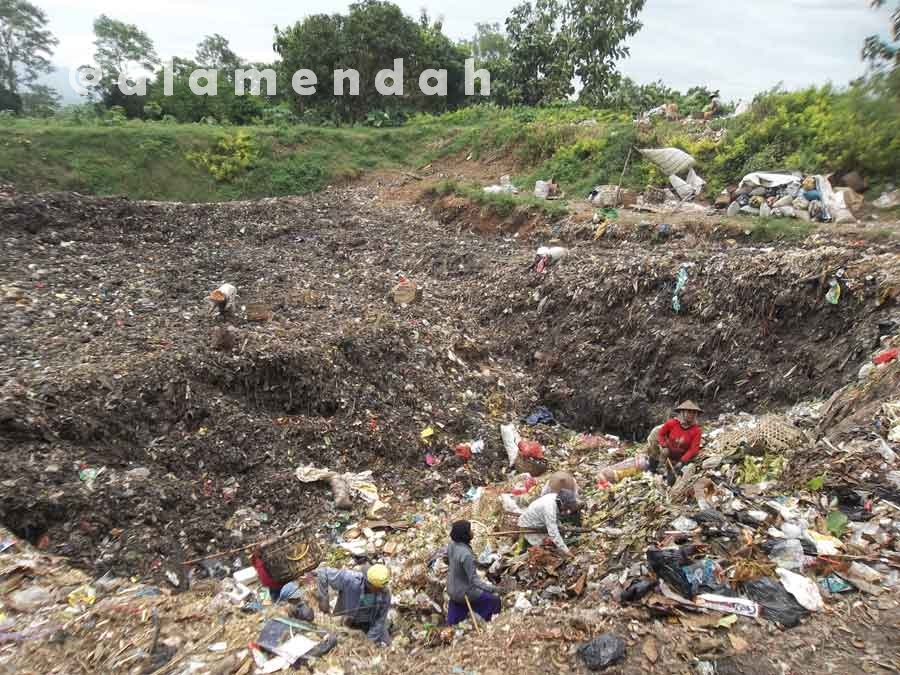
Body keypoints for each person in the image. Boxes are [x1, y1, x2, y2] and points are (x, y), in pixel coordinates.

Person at [316, 564, 392, 645]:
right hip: (347, 620)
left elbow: (379, 621)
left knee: (386, 645)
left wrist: (369, 641)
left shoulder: (385, 594)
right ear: (368, 582)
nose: (380, 591)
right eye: (377, 588)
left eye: (381, 588)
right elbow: (322, 572)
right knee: (332, 639)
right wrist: (323, 599)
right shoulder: (350, 580)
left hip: (369, 624)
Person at [446, 520, 502, 625]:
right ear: (464, 535)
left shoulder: (451, 545)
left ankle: (452, 623)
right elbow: (474, 580)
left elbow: (448, 560)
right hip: (464, 592)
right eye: (469, 530)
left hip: (451, 588)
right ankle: (484, 622)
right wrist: (493, 589)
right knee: (494, 600)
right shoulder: (466, 555)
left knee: (457, 606)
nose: (472, 532)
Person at [647, 400, 703, 475]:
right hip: (667, 452)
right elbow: (661, 434)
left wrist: (682, 461)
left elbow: (693, 449)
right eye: (689, 412)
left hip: (682, 456)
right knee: (661, 451)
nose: (691, 415)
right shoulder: (672, 423)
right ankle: (655, 468)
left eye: (694, 413)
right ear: (682, 413)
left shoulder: (696, 430)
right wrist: (663, 444)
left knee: (678, 472)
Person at [517, 488, 579, 555]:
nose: (567, 509)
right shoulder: (549, 509)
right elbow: (553, 532)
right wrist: (567, 551)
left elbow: (556, 517)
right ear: (562, 503)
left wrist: (560, 527)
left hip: (539, 521)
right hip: (529, 525)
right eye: (566, 506)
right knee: (542, 548)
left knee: (554, 541)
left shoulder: (555, 497)